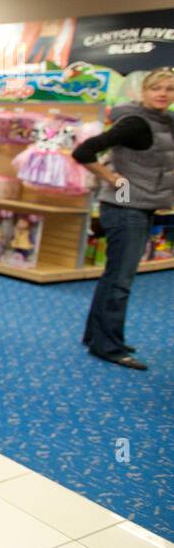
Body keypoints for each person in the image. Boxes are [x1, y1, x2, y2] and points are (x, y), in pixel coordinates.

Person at [74, 67, 174, 371]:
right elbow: (84, 151)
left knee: (115, 275)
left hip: (145, 205)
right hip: (124, 207)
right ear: (143, 91)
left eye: (169, 89)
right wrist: (113, 178)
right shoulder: (134, 122)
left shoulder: (166, 122)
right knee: (121, 280)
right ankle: (108, 346)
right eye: (156, 88)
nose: (162, 94)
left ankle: (97, 335)